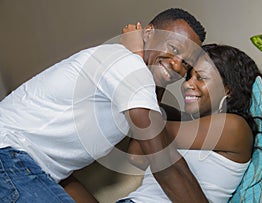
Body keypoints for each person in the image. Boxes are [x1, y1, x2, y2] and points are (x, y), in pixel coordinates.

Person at [0, 8, 206, 203]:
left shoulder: (132, 80)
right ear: (149, 33)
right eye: (173, 49)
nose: (177, 65)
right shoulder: (126, 64)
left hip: (26, 166)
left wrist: (140, 54)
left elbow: (140, 139)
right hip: (9, 156)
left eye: (186, 63)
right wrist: (136, 57)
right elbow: (165, 163)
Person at [118, 44, 262, 203]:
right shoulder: (187, 123)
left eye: (201, 78)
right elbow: (136, 154)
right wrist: (161, 78)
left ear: (228, 90)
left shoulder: (232, 126)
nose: (187, 84)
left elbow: (146, 127)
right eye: (188, 77)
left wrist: (138, 59)